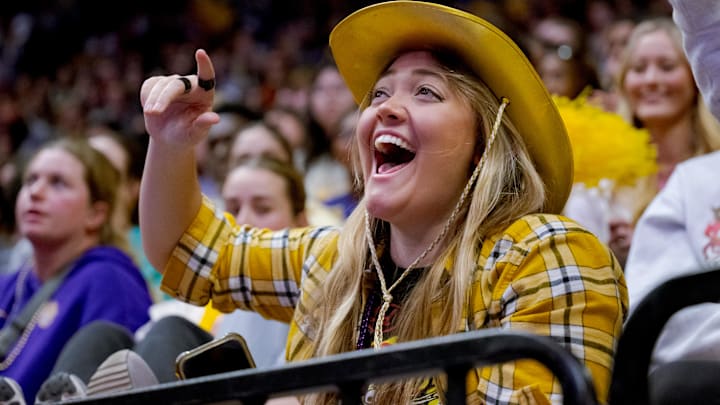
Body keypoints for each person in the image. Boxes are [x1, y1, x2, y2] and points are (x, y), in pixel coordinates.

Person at [139, 2, 627, 404]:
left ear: (483, 145)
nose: (384, 109)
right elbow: (193, 251)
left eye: (426, 92)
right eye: (379, 93)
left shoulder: (543, 256)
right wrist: (171, 144)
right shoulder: (335, 262)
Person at [0, 138, 152, 403]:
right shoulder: (9, 285)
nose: (36, 192)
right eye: (30, 180)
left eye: (57, 183)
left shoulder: (111, 280)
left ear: (96, 214)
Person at [623, 0, 720, 403]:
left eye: (666, 66)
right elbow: (659, 337)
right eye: (638, 68)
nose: (651, 81)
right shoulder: (694, 182)